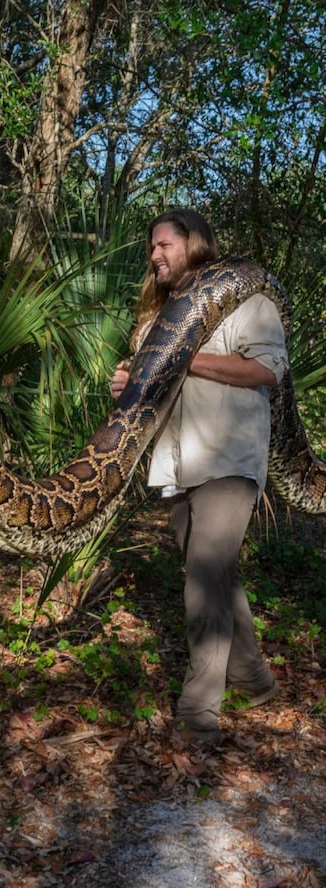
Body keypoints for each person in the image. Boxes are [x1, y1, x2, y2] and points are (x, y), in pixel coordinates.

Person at [111, 208, 288, 745]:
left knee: (203, 577)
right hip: (177, 462)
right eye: (151, 247)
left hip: (230, 460)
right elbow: (152, 389)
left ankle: (198, 711)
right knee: (215, 575)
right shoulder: (156, 319)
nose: (155, 255)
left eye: (164, 244)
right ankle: (254, 679)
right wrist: (130, 383)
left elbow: (266, 370)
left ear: (196, 243)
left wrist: (183, 359)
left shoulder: (246, 302)